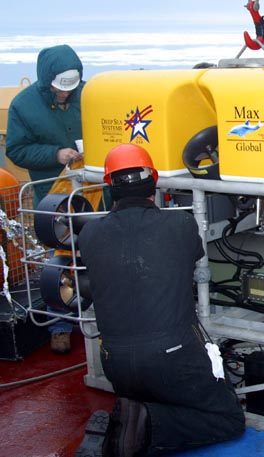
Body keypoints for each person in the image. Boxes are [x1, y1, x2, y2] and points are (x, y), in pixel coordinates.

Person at [76, 144, 245, 456]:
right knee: (228, 420)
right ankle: (141, 425)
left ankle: (131, 415)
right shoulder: (180, 225)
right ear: (153, 183)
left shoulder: (89, 234)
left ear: (110, 187)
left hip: (115, 361)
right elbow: (193, 255)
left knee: (155, 392)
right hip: (173, 356)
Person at [6, 44, 85, 354]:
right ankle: (60, 325)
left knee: (98, 254)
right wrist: (56, 154)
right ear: (46, 81)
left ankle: (101, 320)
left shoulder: (90, 97)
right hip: (54, 197)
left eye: (70, 89)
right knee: (60, 261)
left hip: (93, 194)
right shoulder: (23, 106)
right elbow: (16, 150)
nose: (65, 94)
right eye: (59, 89)